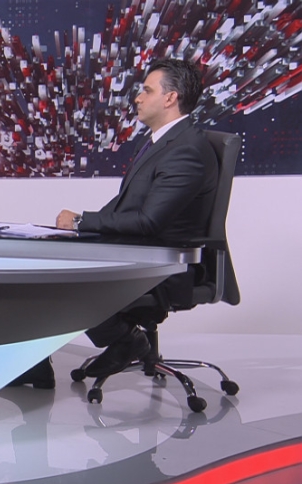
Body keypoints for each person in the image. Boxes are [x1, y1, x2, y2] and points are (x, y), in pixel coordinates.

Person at [53, 58, 219, 379]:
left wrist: (81, 222)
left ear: (170, 98)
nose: (138, 99)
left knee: (63, 281)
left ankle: (125, 340)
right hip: (142, 251)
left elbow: (148, 222)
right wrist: (79, 229)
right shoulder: (160, 142)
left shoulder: (186, 150)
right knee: (56, 264)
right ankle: (118, 341)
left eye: (147, 91)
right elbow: (126, 205)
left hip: (167, 266)